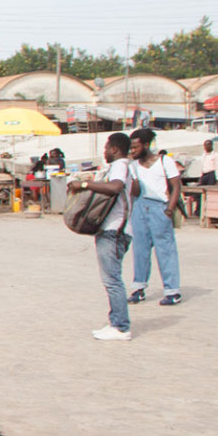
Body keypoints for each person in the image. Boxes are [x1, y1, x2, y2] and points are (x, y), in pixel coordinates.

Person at [67, 132, 139, 341]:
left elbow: (115, 187)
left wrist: (84, 185)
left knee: (112, 280)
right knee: (112, 278)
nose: (105, 152)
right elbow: (135, 190)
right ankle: (116, 322)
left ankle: (120, 326)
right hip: (122, 229)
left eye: (107, 148)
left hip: (114, 230)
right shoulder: (130, 166)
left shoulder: (120, 165)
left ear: (115, 149)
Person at [128, 128, 182, 307]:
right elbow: (135, 191)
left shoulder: (165, 161)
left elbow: (176, 186)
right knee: (140, 249)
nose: (132, 151)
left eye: (135, 147)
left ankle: (172, 291)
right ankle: (139, 288)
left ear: (145, 145)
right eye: (131, 148)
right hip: (140, 207)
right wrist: (132, 176)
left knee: (165, 250)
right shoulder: (133, 165)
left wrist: (170, 209)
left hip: (160, 207)